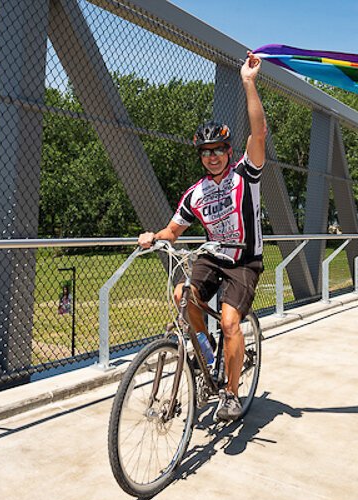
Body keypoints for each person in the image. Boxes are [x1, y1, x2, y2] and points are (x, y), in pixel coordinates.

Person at [137, 51, 266, 422]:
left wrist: (248, 82)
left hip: (244, 259)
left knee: (229, 321)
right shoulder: (196, 193)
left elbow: (259, 133)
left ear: (229, 151)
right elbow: (174, 230)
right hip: (212, 256)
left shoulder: (246, 175)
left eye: (218, 151)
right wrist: (155, 236)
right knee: (182, 295)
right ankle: (207, 352)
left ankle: (230, 393)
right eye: (205, 153)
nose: (212, 157)